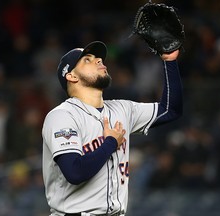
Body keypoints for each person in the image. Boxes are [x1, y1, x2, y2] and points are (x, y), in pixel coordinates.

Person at [42, 41, 183, 216]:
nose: (99, 61)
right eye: (88, 60)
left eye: (99, 58)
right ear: (71, 76)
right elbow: (74, 172)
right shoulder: (62, 116)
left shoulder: (122, 109)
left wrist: (169, 60)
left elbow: (171, 110)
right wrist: (110, 142)